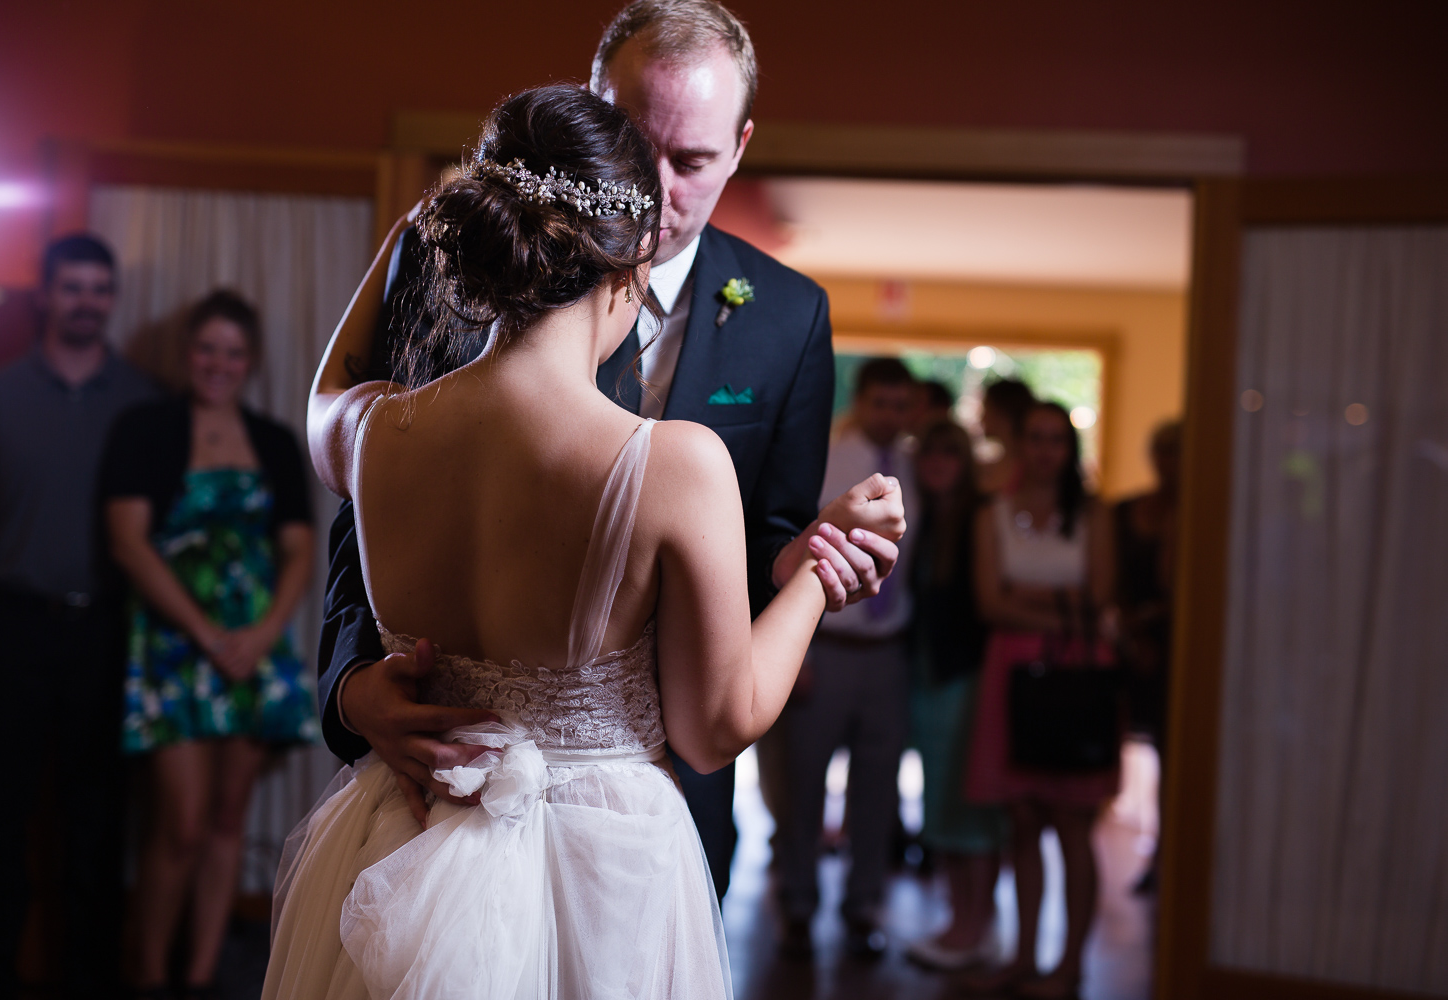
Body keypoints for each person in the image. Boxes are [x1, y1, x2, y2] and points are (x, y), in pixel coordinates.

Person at [263, 83, 905, 1000]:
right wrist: (814, 570)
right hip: (600, 873)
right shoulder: (676, 464)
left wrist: (409, 233)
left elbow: (328, 392)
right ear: (637, 261)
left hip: (404, 844)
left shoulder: (374, 436)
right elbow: (716, 727)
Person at [0, 234, 156, 998]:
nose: (86, 301)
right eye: (71, 287)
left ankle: (87, 980)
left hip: (104, 632)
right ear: (44, 296)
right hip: (10, 624)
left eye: (99, 289)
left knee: (93, 823)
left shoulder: (143, 399)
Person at [101, 290, 317, 997]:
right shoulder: (144, 429)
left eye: (232, 352)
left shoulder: (277, 441)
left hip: (253, 650)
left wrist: (257, 637)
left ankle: (199, 978)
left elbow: (298, 552)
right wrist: (207, 636)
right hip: (173, 646)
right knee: (182, 825)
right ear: (186, 353)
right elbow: (129, 545)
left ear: (249, 361)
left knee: (229, 819)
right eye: (206, 349)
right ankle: (149, 974)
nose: (217, 364)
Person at [960, 401, 1117, 999]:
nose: (1046, 449)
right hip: (1011, 671)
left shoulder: (1094, 515)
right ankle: (1025, 956)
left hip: (1079, 672)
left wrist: (1025, 595)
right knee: (1021, 821)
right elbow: (989, 604)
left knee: (1074, 824)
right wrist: (1061, 600)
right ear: (1020, 444)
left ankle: (1071, 966)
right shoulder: (993, 515)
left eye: (1057, 439)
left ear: (1070, 449)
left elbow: (1099, 598)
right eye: (1036, 438)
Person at [775, 357, 920, 960]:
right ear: (862, 402)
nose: (890, 415)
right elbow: (802, 555)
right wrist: (797, 653)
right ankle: (799, 903)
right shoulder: (830, 462)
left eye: (900, 404)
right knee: (803, 782)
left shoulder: (915, 469)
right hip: (826, 647)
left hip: (887, 654)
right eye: (880, 402)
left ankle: (864, 904)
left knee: (879, 789)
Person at [902, 419, 1003, 971]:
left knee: (969, 808)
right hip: (930, 675)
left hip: (964, 679)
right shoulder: (926, 516)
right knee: (942, 803)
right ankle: (963, 922)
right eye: (930, 453)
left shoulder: (978, 517)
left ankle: (976, 927)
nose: (938, 463)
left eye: (950, 454)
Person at [1114, 419, 1180, 894]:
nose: (1170, 462)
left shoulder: (1202, 515)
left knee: (1173, 755)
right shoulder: (1124, 513)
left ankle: (1169, 855)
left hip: (1178, 652)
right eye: (1164, 451)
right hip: (1122, 647)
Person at [975, 377, 1035, 495]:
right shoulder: (993, 467)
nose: (981, 419)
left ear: (1002, 413)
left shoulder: (1029, 469)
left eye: (986, 409)